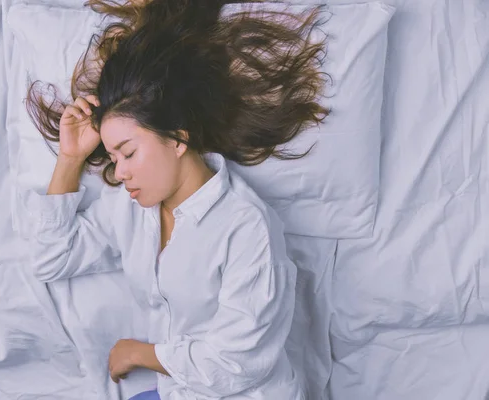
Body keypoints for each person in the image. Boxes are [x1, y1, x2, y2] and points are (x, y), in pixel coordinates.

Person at [23, 0, 330, 398]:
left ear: (178, 138)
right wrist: (71, 158)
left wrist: (142, 353)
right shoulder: (132, 208)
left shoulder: (246, 225)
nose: (120, 172)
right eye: (113, 157)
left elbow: (237, 364)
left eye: (129, 153)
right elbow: (52, 257)